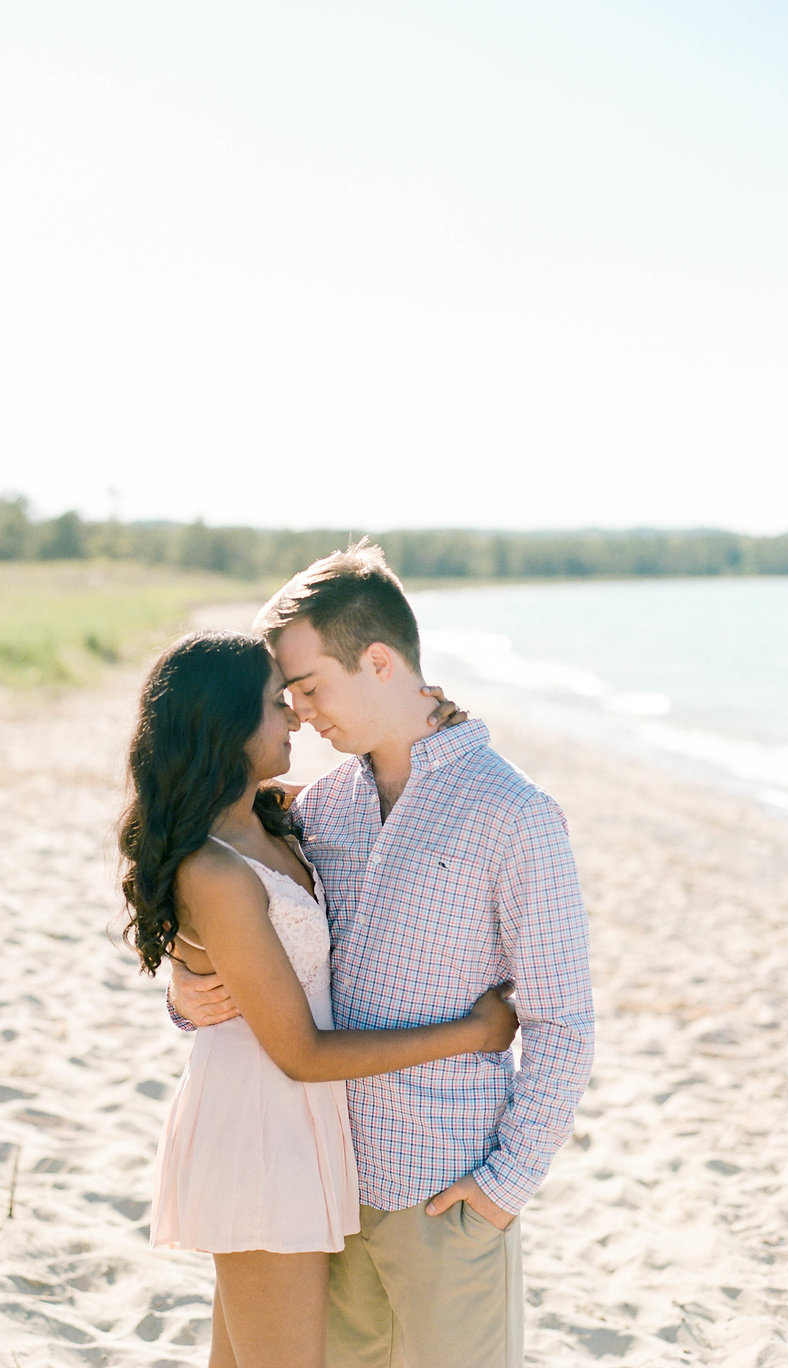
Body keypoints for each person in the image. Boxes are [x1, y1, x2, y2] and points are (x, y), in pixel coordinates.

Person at [171, 542, 594, 1368]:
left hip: (446, 1194)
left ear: (378, 661)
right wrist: (184, 989)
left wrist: (504, 1189)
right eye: (287, 696)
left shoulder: (516, 814)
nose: (299, 714)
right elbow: (252, 937)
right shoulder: (319, 807)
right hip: (321, 1187)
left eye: (309, 687)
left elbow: (562, 1020)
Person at [119, 630, 518, 1368]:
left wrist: (439, 724)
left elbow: (400, 803)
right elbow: (300, 1051)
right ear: (227, 727)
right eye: (278, 705)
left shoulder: (272, 817)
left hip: (294, 1127)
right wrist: (473, 1032)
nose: (297, 717)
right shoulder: (215, 868)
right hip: (259, 1129)